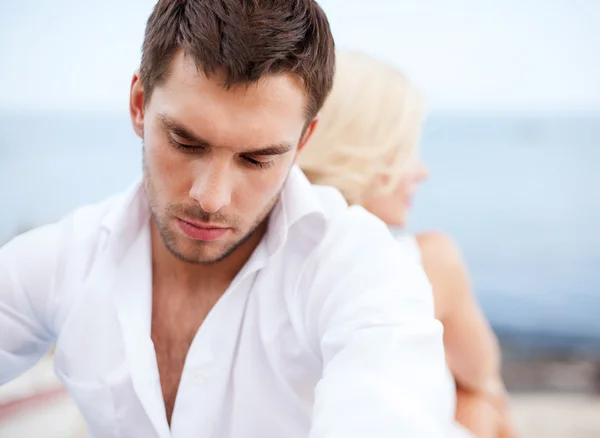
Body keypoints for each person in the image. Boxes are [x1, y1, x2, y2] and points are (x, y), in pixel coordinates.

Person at [0, 2, 451, 437]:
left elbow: (388, 409)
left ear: (304, 140)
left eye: (257, 159)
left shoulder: (359, 267)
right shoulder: (61, 259)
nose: (211, 198)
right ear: (139, 104)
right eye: (186, 142)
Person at [298, 50, 519, 438]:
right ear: (361, 152)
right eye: (404, 150)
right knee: (481, 399)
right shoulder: (428, 260)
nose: (422, 171)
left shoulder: (270, 253)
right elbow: (482, 372)